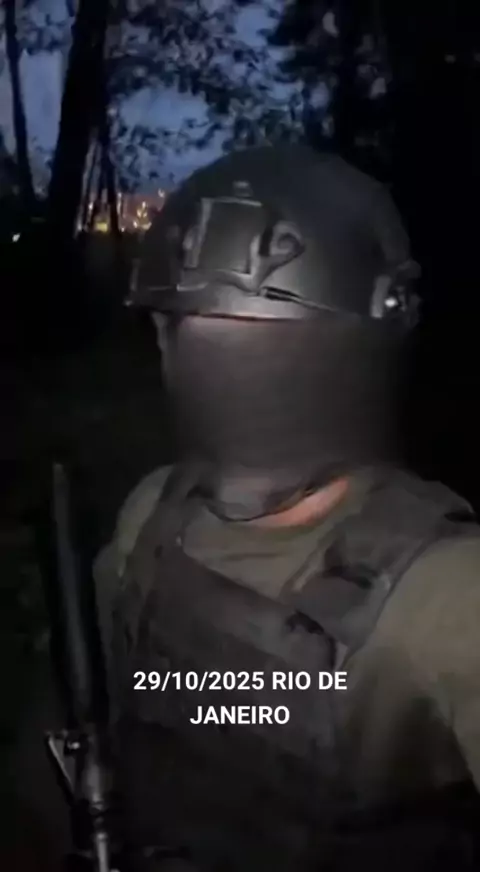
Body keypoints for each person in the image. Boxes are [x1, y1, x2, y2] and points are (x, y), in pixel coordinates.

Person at [94, 144, 480, 872]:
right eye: (193, 331)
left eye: (256, 339)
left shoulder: (449, 596)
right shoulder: (152, 515)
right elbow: (97, 723)